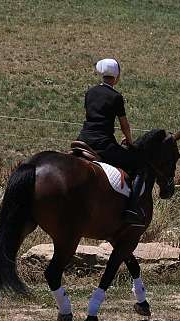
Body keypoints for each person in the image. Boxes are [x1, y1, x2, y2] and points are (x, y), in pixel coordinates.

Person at [77, 58, 146, 227]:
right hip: (103, 144)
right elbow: (124, 124)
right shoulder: (116, 97)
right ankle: (131, 208)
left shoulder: (90, 92)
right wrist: (130, 142)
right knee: (139, 166)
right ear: (116, 77)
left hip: (82, 139)